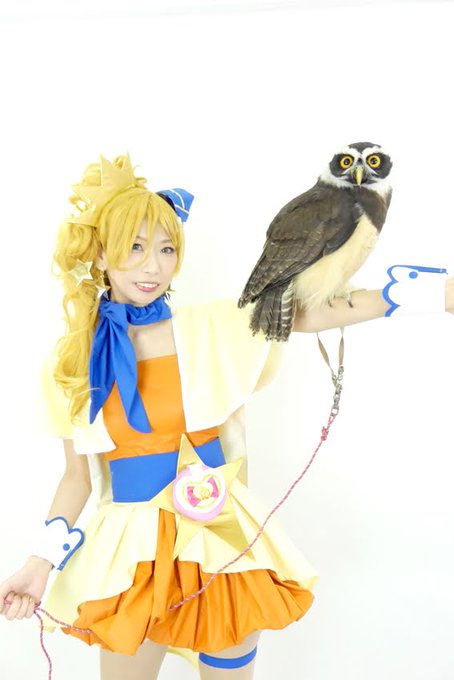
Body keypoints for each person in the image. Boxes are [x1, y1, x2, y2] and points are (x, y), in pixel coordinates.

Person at [0, 154, 452, 680]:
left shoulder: (210, 328)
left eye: (167, 249)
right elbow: (76, 478)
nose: (153, 267)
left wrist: (431, 295)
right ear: (101, 253)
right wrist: (39, 562)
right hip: (133, 553)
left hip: (218, 538)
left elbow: (308, 312)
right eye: (136, 248)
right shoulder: (73, 361)